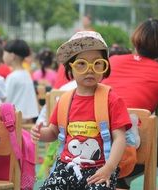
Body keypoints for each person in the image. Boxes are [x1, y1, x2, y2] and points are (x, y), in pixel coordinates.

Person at [31, 31, 132, 190]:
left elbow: (120, 138)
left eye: (97, 63)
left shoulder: (112, 100)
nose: (89, 69)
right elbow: (53, 132)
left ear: (105, 67)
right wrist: (40, 133)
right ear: (70, 69)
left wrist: (109, 168)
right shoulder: (64, 100)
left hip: (100, 169)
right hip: (65, 167)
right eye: (81, 63)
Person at [102, 18, 158, 190]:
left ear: (135, 39)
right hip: (131, 149)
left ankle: (118, 181)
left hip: (94, 140)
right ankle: (121, 181)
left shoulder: (113, 61)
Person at [3, 39, 39, 122]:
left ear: (12, 56)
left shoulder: (12, 77)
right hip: (27, 117)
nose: (3, 56)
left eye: (4, 53)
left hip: (14, 120)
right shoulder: (26, 74)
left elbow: (6, 101)